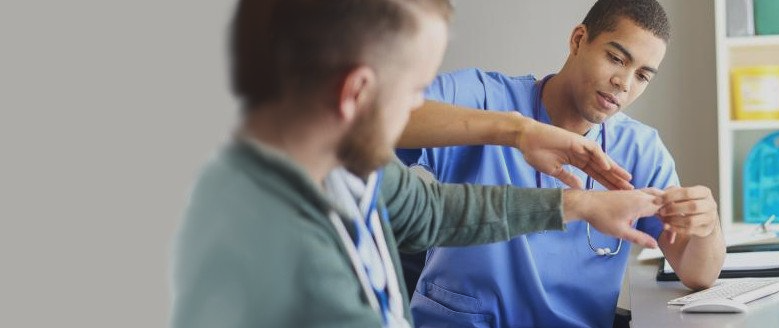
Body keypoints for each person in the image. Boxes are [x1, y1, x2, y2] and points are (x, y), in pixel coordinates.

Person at [172, 0, 667, 327]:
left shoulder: (363, 172)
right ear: (356, 93)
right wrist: (517, 129)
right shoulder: (298, 261)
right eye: (415, 89)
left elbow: (432, 210)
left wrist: (575, 204)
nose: (423, 108)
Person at [396, 0, 726, 326]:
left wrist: (707, 226)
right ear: (579, 40)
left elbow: (698, 273)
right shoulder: (484, 97)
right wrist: (516, 130)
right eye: (615, 58)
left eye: (642, 76)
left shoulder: (641, 150)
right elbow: (381, 117)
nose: (623, 83)